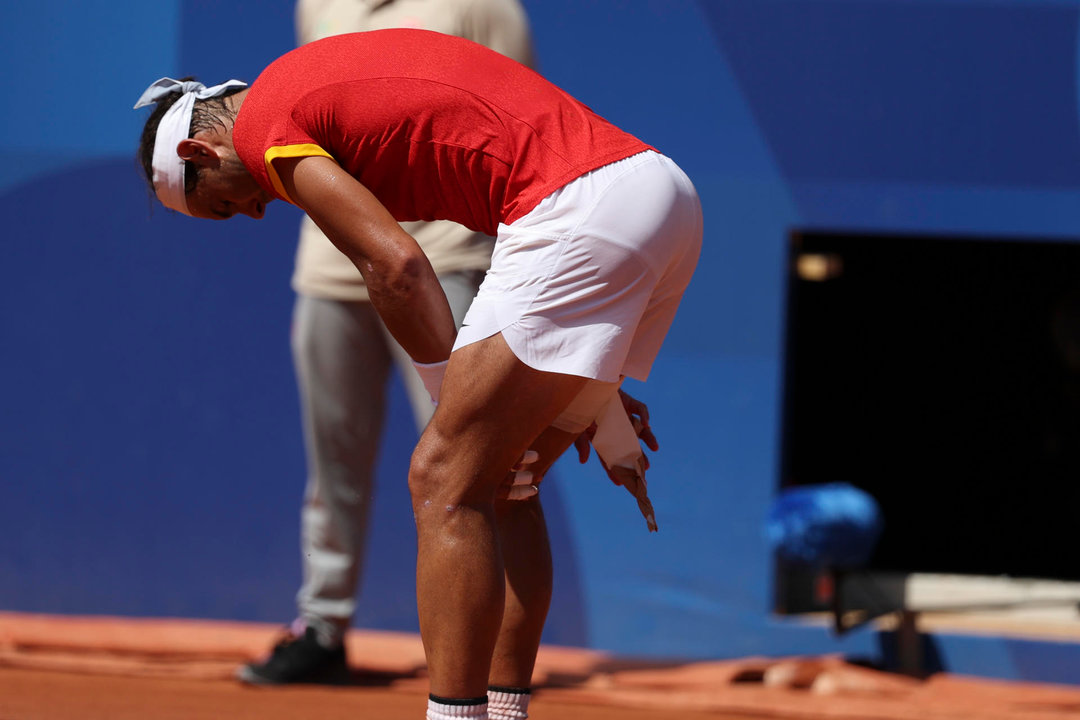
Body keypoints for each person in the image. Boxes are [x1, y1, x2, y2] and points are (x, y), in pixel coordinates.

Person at [133, 29, 701, 720]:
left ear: (201, 151)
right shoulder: (299, 87)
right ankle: (503, 711)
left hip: (576, 210)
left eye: (223, 203)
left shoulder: (262, 128)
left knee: (442, 475)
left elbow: (395, 266)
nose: (251, 212)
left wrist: (447, 395)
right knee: (505, 482)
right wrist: (596, 400)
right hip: (659, 197)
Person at [235, 0, 537, 688]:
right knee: (333, 463)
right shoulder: (317, 5)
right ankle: (322, 626)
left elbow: (519, 133)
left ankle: (499, 652)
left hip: (448, 261)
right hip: (328, 268)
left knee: (486, 461)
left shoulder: (484, 6)